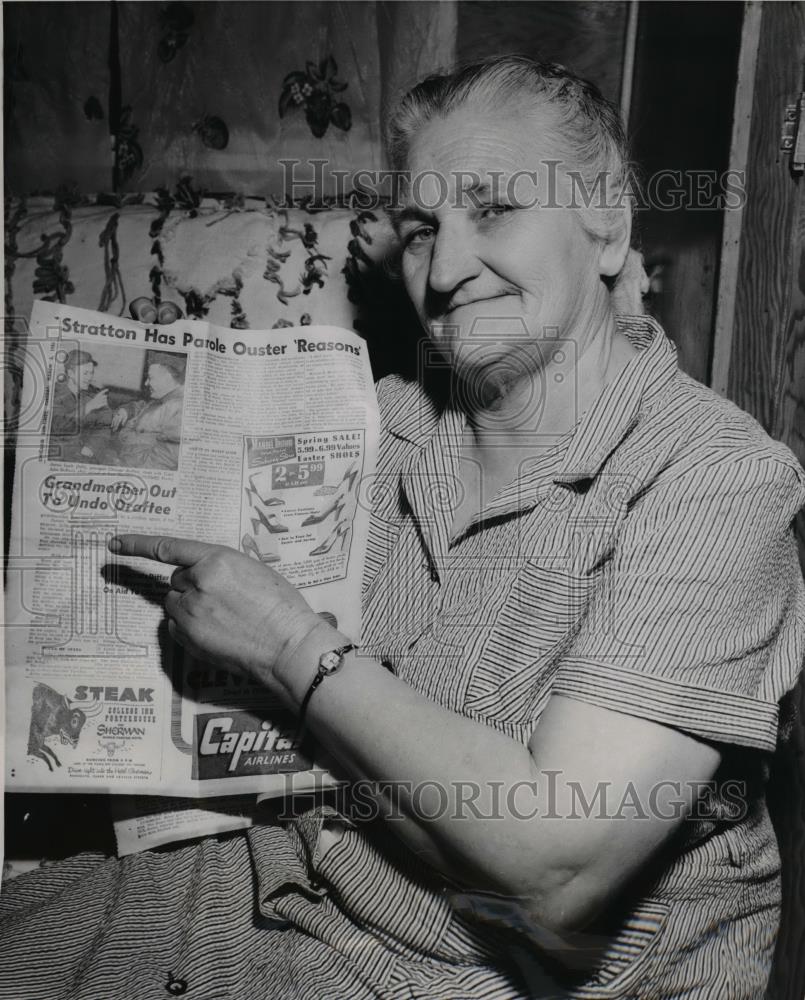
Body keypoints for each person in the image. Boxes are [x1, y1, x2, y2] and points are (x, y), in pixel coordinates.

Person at [2, 57, 804, 1000]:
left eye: (494, 208)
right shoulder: (372, 423)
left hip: (489, 974)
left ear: (607, 226)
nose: (447, 269)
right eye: (423, 229)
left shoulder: (716, 479)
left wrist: (290, 647)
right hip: (275, 884)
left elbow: (558, 873)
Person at [110, 352, 186, 471]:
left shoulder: (181, 408)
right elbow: (141, 406)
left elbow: (164, 460)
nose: (146, 383)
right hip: (120, 457)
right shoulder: (161, 399)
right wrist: (126, 410)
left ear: (168, 378)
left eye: (150, 378)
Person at [48, 348, 114, 462]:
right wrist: (88, 407)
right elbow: (58, 426)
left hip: (87, 453)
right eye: (85, 373)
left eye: (91, 373)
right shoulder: (54, 393)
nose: (89, 378)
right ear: (70, 373)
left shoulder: (93, 393)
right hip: (60, 454)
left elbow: (104, 425)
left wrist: (92, 446)